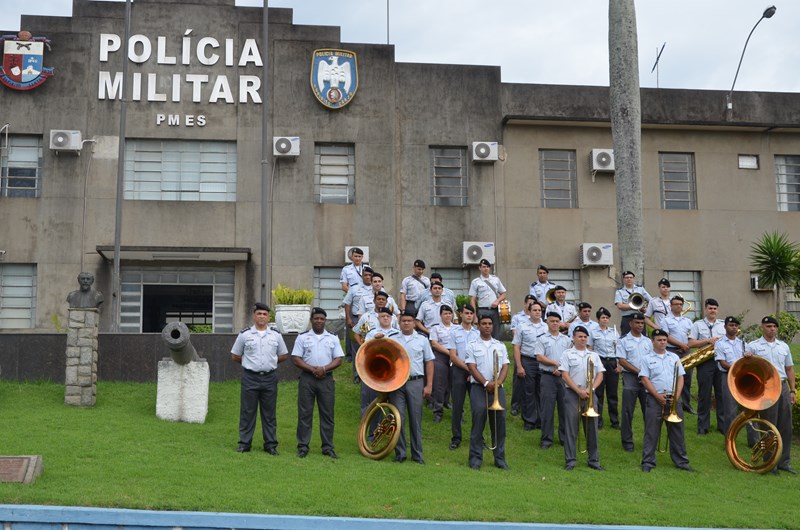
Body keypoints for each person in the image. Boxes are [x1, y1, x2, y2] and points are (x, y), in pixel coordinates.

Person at [230, 302, 289, 454]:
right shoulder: (245, 335)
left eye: (264, 314)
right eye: (259, 314)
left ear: (268, 317)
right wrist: (249, 363)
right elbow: (235, 355)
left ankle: (270, 445)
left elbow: (283, 355)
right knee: (247, 412)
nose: (262, 316)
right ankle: (244, 443)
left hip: (269, 378)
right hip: (250, 378)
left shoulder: (275, 335)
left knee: (269, 414)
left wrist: (271, 362)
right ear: (254, 316)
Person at [744, 315, 796, 475]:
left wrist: (792, 390)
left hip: (782, 386)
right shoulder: (753, 346)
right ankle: (770, 463)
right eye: (768, 326)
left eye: (774, 326)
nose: (772, 329)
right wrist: (747, 358)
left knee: (786, 426)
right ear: (762, 328)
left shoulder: (783, 346)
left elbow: (789, 369)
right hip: (765, 387)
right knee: (768, 426)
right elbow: (746, 368)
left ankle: (784, 463)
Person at [291, 308, 344, 459]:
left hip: (326, 380)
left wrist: (324, 369)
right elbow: (296, 358)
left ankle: (327, 447)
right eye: (316, 318)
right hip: (307, 379)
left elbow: (338, 359)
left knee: (327, 414)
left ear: (325, 321)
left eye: (321, 318)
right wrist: (313, 369)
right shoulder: (302, 337)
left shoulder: (333, 338)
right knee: (304, 414)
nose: (319, 321)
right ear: (311, 320)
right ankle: (303, 446)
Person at [639, 329, 693, 472]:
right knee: (651, 431)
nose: (662, 342)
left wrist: (677, 395)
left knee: (677, 432)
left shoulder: (674, 357)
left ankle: (682, 462)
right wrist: (657, 396)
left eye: (664, 340)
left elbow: (681, 376)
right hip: (655, 399)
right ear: (653, 341)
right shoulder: (646, 359)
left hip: (673, 398)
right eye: (659, 340)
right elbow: (645, 379)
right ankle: (648, 462)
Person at [389, 311, 434, 464]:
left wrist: (429, 385)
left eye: (409, 321)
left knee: (415, 419)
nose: (406, 323)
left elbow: (429, 362)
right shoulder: (392, 339)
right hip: (397, 383)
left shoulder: (422, 340)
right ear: (399, 323)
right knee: (398, 418)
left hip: (416, 381)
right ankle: (400, 454)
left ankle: (417, 455)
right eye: (404, 321)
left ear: (414, 323)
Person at [465, 314, 509, 470]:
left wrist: (498, 383)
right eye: (484, 323)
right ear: (479, 326)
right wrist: (485, 383)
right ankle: (475, 459)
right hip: (478, 388)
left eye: (490, 323)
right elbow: (471, 366)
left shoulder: (500, 345)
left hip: (497, 388)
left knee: (500, 424)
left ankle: (500, 459)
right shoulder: (472, 345)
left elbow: (505, 366)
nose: (487, 326)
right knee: (478, 421)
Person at [559, 326, 605, 471]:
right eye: (580, 336)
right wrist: (578, 390)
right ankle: (570, 460)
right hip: (573, 393)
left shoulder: (593, 355)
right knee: (571, 428)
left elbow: (600, 374)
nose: (583, 339)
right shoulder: (567, 354)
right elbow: (564, 375)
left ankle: (594, 460)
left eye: (585, 337)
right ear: (573, 338)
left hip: (590, 394)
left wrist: (590, 389)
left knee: (592, 428)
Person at [688, 298, 725, 435]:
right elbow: (690, 343)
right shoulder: (697, 325)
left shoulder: (723, 325)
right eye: (710, 308)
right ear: (705, 309)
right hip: (705, 363)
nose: (712, 311)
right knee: (705, 394)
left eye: (715, 308)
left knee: (721, 394)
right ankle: (703, 426)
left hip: (720, 362)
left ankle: (723, 426)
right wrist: (707, 341)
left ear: (718, 310)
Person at [535, 312, 572, 449]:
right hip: (547, 376)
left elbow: (569, 356)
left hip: (563, 377)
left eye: (557, 321)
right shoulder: (542, 339)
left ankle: (564, 438)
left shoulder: (566, 340)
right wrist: (556, 364)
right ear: (547, 323)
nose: (555, 323)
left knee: (564, 408)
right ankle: (546, 439)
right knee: (547, 409)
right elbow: (539, 357)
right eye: (552, 321)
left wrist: (561, 368)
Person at [616, 312, 652, 452]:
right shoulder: (623, 340)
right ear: (631, 324)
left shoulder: (648, 341)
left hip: (646, 379)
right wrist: (639, 372)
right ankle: (627, 442)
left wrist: (646, 375)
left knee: (648, 411)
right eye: (637, 323)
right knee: (627, 411)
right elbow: (622, 361)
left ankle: (649, 441)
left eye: (642, 323)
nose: (640, 325)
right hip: (631, 377)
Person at [448, 303, 479, 450]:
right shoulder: (454, 332)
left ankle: (478, 437)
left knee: (477, 406)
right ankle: (456, 437)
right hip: (459, 370)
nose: (469, 316)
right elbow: (453, 356)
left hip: (475, 372)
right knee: (458, 406)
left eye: (471, 314)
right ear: (461, 314)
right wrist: (468, 369)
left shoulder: (477, 333)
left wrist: (473, 371)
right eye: (466, 313)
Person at [512, 300, 547, 431]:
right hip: (528, 360)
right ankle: (529, 420)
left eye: (539, 310)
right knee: (528, 391)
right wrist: (519, 366)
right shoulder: (522, 326)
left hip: (543, 362)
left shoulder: (546, 327)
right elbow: (516, 347)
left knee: (541, 391)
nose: (538, 312)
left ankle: (540, 419)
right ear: (529, 311)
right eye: (535, 310)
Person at [660, 295, 695, 414]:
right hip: (672, 351)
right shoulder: (665, 320)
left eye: (680, 304)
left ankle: (686, 404)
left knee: (687, 378)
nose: (679, 306)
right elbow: (666, 336)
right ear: (671, 306)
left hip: (685, 351)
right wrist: (681, 345)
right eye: (676, 304)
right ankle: (673, 402)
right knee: (672, 378)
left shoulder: (687, 321)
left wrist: (686, 346)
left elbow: (691, 337)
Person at [713, 316, 744, 435]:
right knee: (730, 409)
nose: (734, 328)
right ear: (725, 327)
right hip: (728, 376)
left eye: (736, 326)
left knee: (750, 407)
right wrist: (738, 368)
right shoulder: (719, 343)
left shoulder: (742, 343)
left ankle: (753, 440)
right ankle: (730, 438)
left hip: (742, 376)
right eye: (731, 325)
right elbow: (723, 363)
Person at [591, 307, 620, 430]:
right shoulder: (593, 332)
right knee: (599, 393)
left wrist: (620, 365)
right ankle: (598, 421)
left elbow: (618, 349)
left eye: (607, 318)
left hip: (612, 363)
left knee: (612, 394)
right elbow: (590, 349)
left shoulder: (614, 332)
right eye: (603, 318)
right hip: (600, 362)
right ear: (598, 320)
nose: (605, 320)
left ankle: (615, 421)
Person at [509, 294, 538, 416]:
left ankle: (531, 405)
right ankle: (515, 405)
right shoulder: (517, 318)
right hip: (521, 352)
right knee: (518, 380)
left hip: (535, 356)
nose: (531, 306)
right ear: (525, 304)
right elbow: (515, 334)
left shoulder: (540, 320)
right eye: (529, 303)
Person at [429, 305, 456, 422]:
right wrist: (449, 354)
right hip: (440, 356)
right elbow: (434, 344)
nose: (448, 316)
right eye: (445, 313)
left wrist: (454, 356)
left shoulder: (457, 328)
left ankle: (450, 404)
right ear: (440, 315)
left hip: (455, 357)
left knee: (454, 384)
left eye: (449, 313)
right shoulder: (435, 328)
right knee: (439, 384)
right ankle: (438, 411)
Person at [469, 258, 507, 339]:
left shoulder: (495, 279)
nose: (486, 268)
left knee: (496, 334)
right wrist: (474, 316)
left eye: (487, 267)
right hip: (483, 310)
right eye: (483, 267)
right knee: (481, 334)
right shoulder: (475, 282)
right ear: (480, 268)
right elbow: (472, 299)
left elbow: (503, 293)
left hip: (495, 311)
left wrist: (497, 301)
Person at [343, 266, 373, 362]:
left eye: (369, 275)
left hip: (372, 319)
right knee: (356, 341)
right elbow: (347, 303)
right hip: (357, 318)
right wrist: (348, 318)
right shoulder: (354, 288)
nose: (367, 277)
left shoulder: (377, 287)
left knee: (369, 340)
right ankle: (355, 363)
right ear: (362, 276)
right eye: (365, 275)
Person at [614, 271, 652, 335]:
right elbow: (620, 306)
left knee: (642, 338)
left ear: (633, 278)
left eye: (631, 277)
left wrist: (646, 309)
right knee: (625, 338)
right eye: (627, 277)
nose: (629, 279)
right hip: (627, 318)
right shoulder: (619, 291)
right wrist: (635, 306)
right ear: (623, 279)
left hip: (640, 318)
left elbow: (651, 301)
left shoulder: (640, 289)